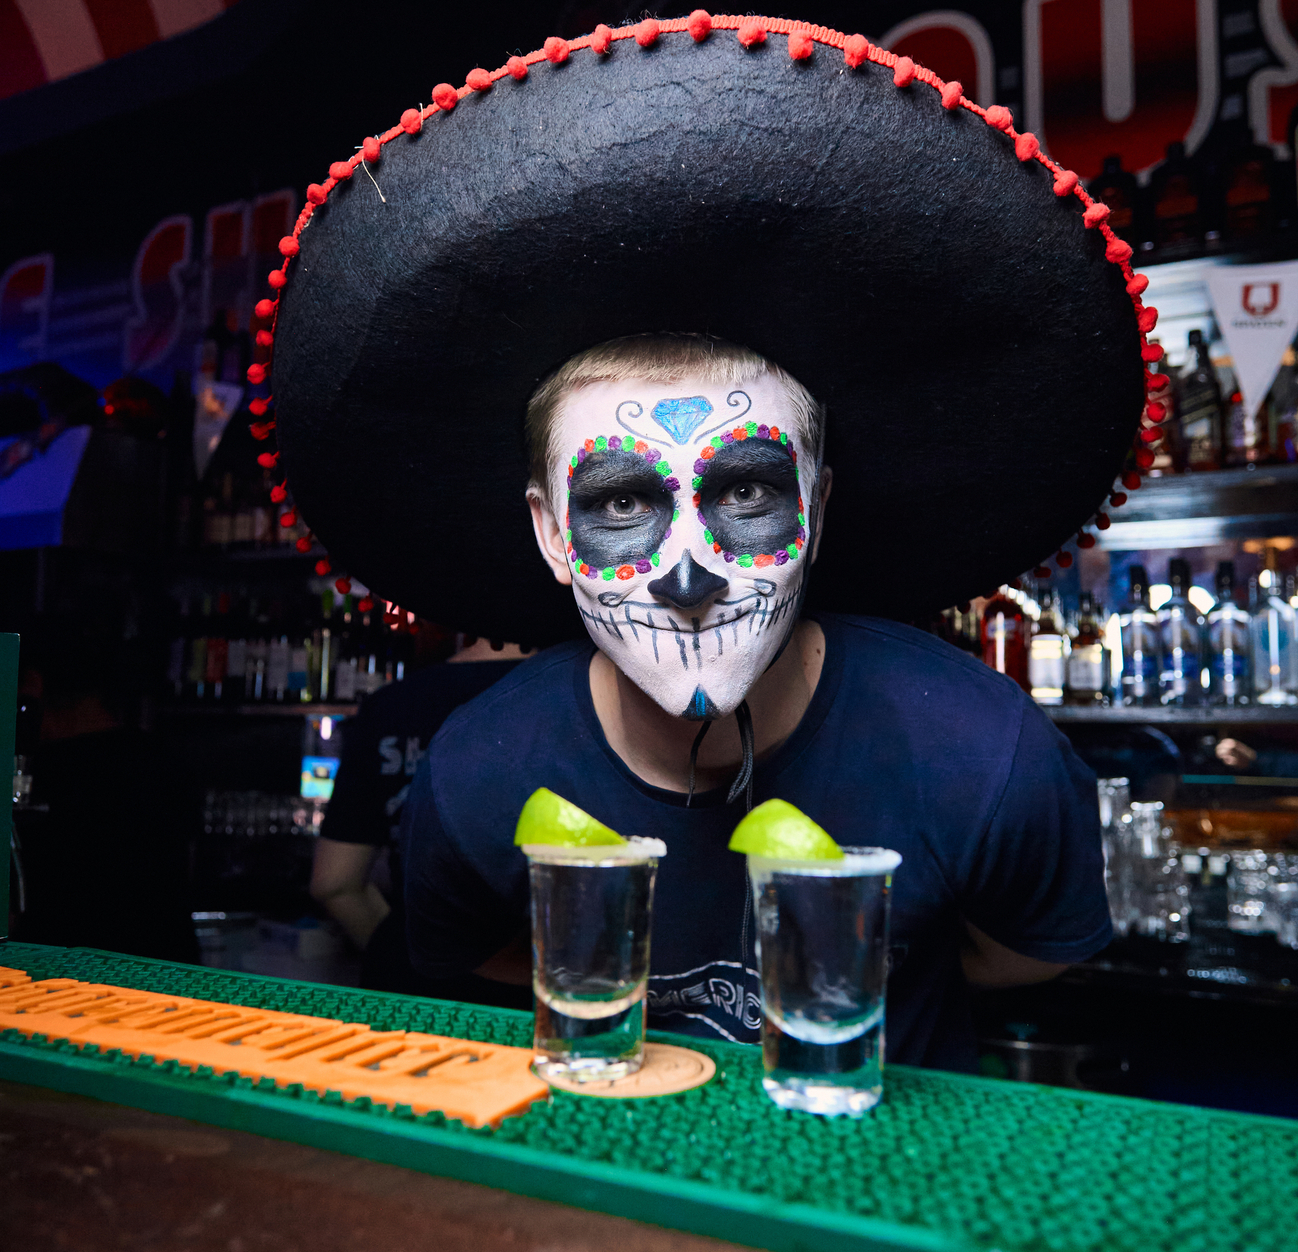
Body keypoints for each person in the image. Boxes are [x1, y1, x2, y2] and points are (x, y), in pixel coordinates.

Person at [257, 16, 1153, 1070]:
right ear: (550, 533)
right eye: (621, 504)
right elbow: (481, 954)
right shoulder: (479, 774)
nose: (688, 573)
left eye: (745, 489)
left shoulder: (980, 751)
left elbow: (1022, 954)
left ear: (818, 506)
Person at [310, 634, 531, 1002]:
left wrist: (401, 951)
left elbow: (334, 884)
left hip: (411, 985)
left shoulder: (392, 704)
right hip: (542, 989)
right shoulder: (579, 695)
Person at [13, 619, 198, 963]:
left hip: (59, 971)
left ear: (32, 686)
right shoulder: (164, 759)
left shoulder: (37, 773)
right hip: (165, 967)